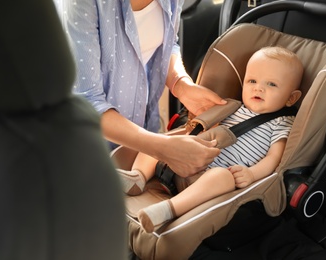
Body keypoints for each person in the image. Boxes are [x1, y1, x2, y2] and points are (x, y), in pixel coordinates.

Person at [120, 46, 304, 233]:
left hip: (210, 181)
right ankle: (138, 177)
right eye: (252, 80)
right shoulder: (233, 107)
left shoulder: (282, 123)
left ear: (291, 98)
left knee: (223, 177)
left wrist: (252, 174)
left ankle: (168, 209)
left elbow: (274, 158)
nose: (259, 88)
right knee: (159, 142)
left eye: (271, 84)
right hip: (187, 158)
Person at [59, 0, 227, 177]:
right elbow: (87, 104)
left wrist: (181, 84)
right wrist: (162, 148)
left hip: (139, 131)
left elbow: (167, 44)